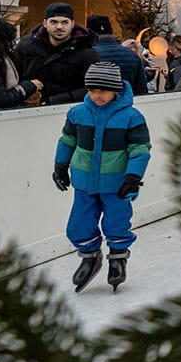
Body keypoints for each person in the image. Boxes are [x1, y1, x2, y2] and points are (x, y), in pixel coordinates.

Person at [52, 61, 151, 294]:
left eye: (104, 90)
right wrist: (60, 165)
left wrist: (133, 178)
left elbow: (139, 149)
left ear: (116, 89)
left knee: (116, 223)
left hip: (116, 183)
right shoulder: (77, 113)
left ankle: (118, 258)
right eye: (93, 90)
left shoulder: (131, 117)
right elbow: (67, 140)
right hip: (84, 181)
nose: (97, 95)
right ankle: (90, 256)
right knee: (77, 225)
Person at [16, 1, 99, 105]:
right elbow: (14, 76)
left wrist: (55, 101)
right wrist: (27, 88)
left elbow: (92, 88)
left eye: (65, 22)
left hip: (67, 109)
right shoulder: (27, 46)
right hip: (26, 109)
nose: (59, 27)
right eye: (54, 22)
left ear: (72, 24)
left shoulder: (87, 53)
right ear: (45, 23)